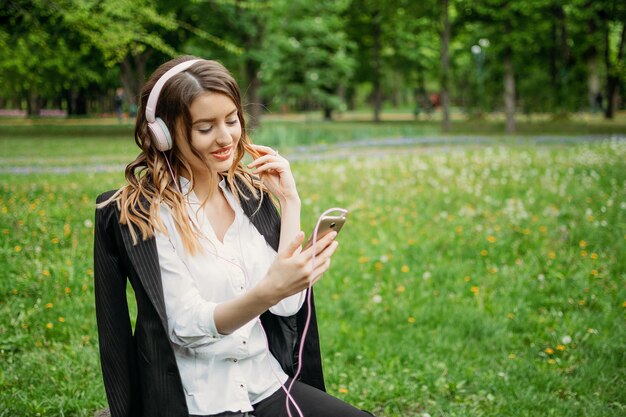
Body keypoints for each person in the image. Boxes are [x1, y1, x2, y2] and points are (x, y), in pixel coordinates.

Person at [94, 56, 374, 417]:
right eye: (205, 127)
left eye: (231, 120)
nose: (225, 137)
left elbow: (285, 306)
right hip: (200, 400)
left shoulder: (248, 196)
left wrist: (290, 201)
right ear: (164, 135)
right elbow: (185, 326)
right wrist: (269, 290)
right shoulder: (147, 214)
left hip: (265, 382)